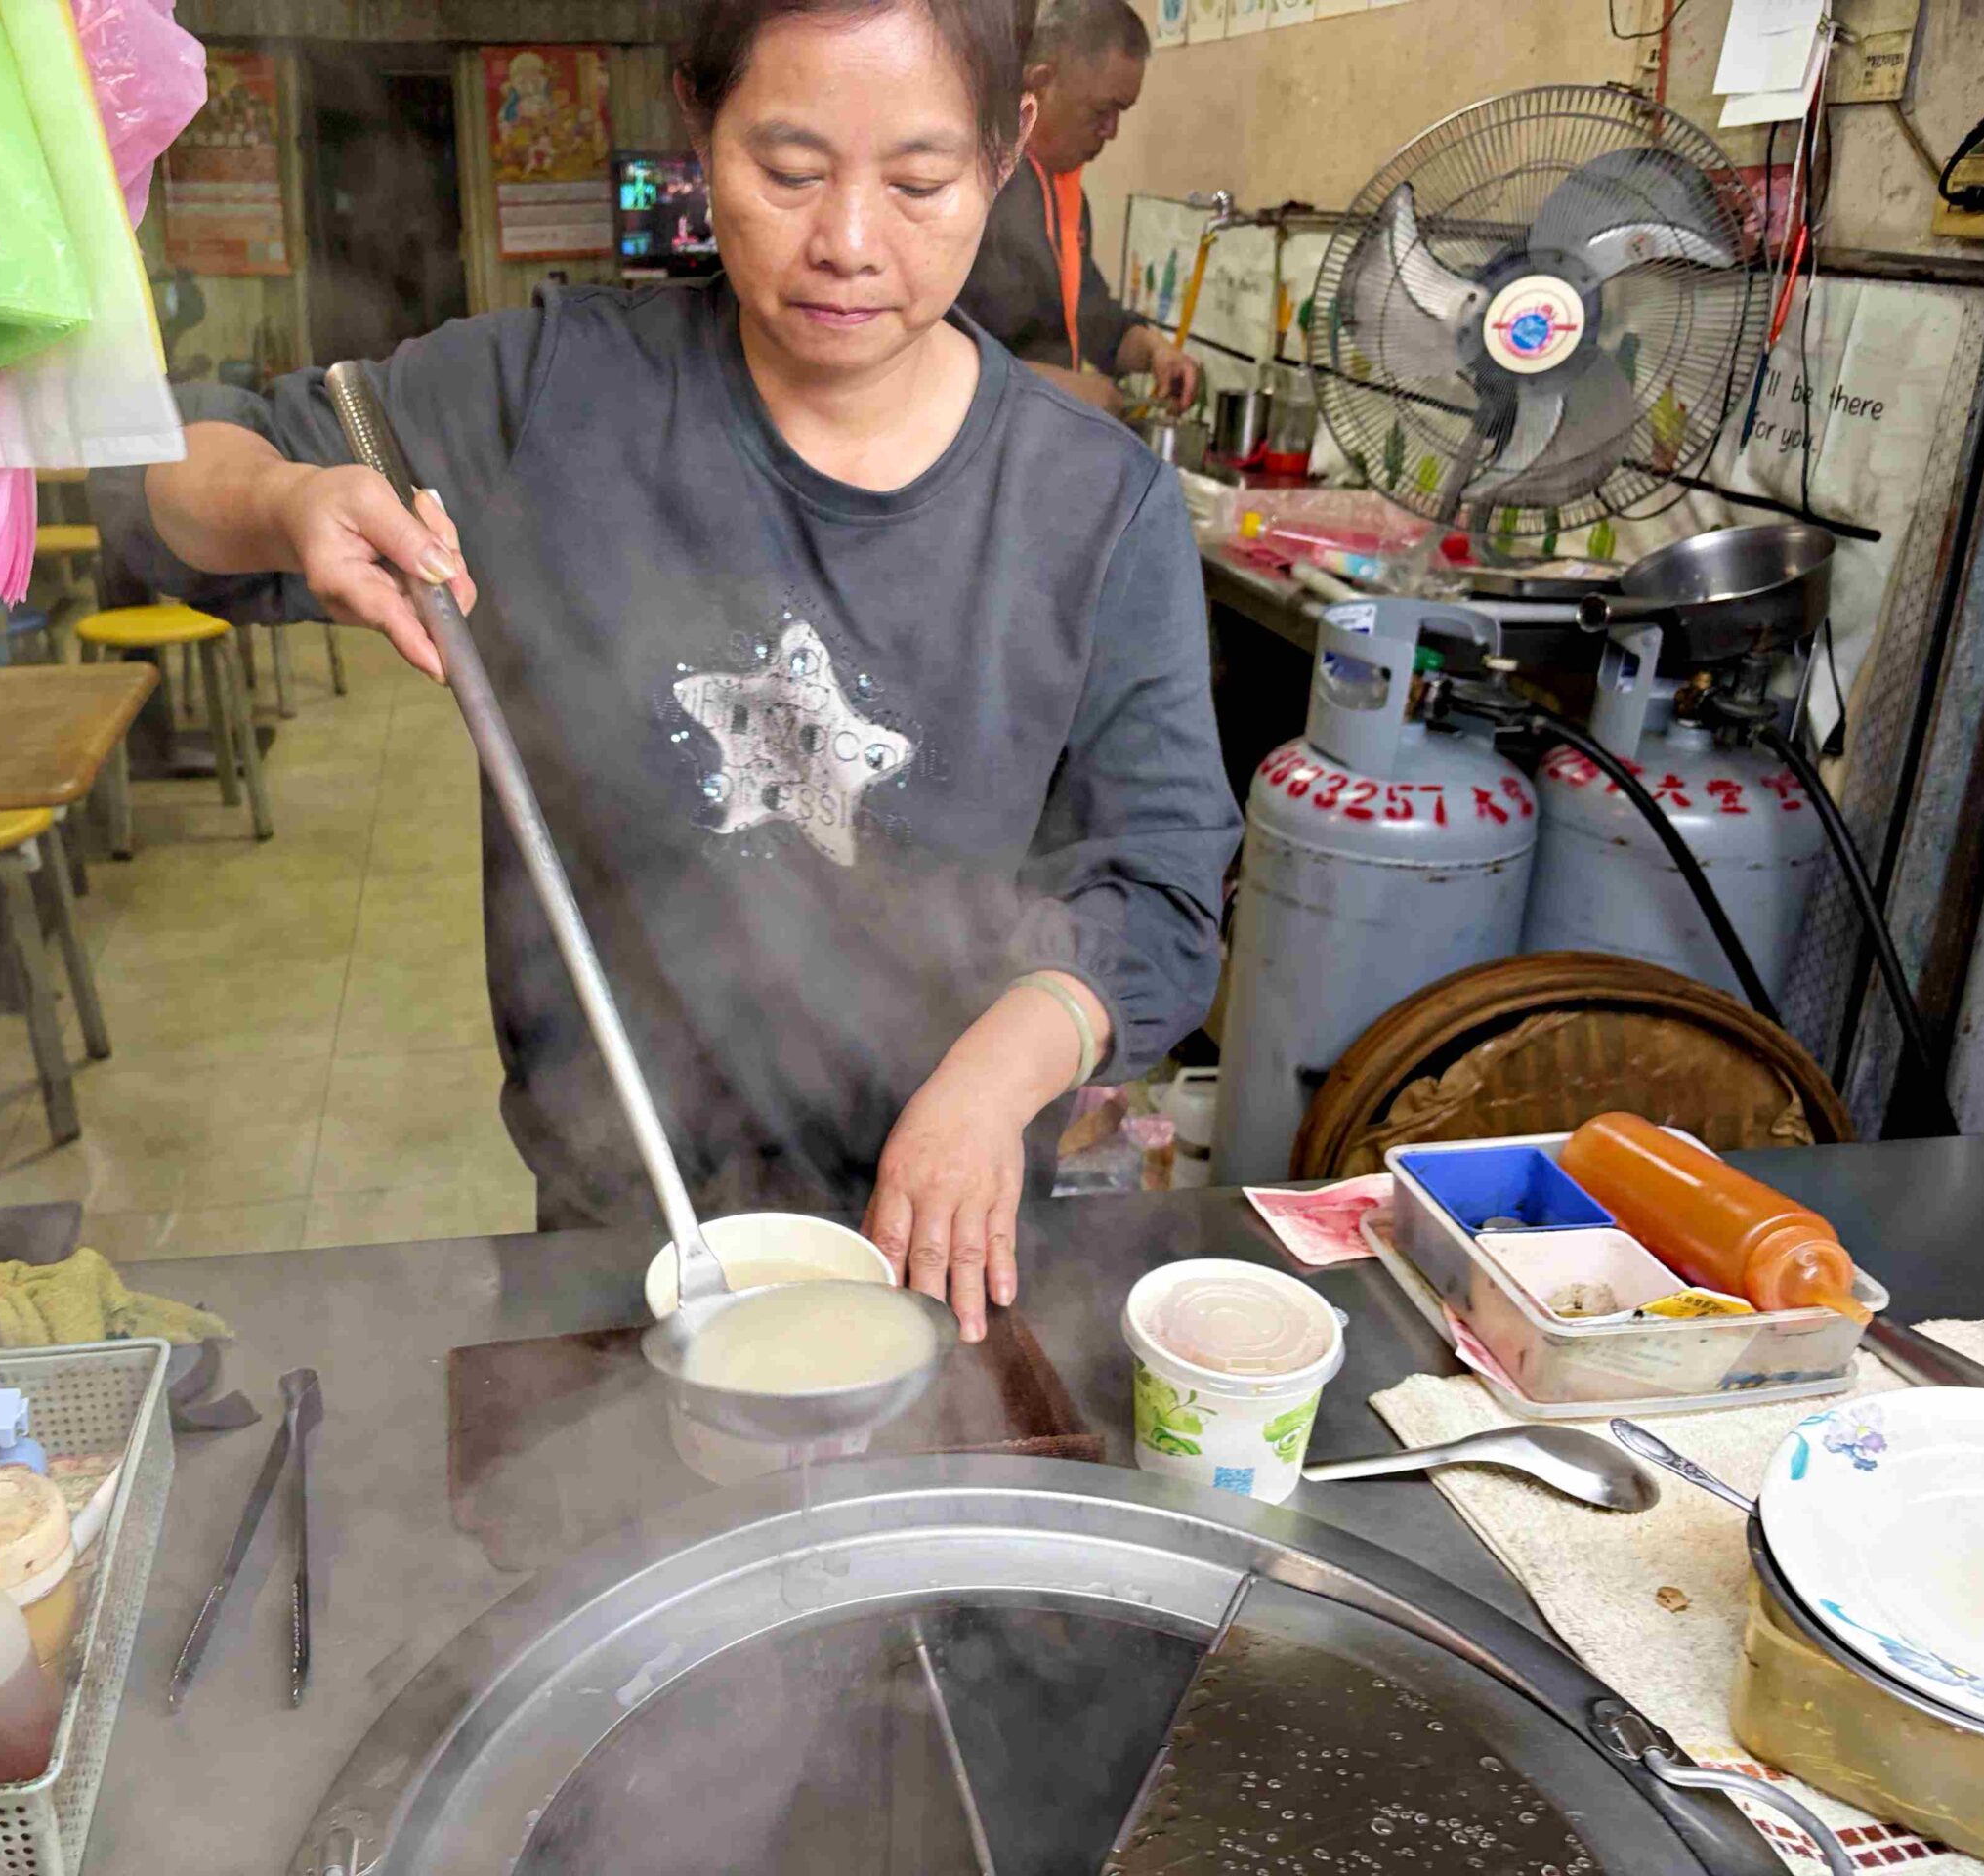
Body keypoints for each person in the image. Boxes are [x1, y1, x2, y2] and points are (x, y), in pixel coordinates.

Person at [94, 0, 1239, 1341]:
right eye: (790, 171)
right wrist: (287, 498)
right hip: (619, 1225)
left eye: (919, 182)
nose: (849, 243)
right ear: (699, 128)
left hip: (952, 1234)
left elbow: (1161, 887)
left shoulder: (1095, 503)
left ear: (1006, 153)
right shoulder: (551, 400)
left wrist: (998, 1076)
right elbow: (169, 462)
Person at [958, 0, 1200, 416]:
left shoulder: (1067, 198)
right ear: (1040, 82)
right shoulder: (968, 181)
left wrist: (1151, 349)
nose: (1112, 131)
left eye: (1121, 113)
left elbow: (1092, 317)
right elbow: (915, 349)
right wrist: (1050, 386)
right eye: (1102, 110)